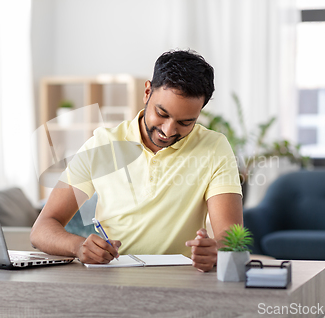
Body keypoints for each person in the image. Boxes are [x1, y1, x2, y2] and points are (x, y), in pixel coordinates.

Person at [30, 49, 243, 272]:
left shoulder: (214, 148)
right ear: (147, 91)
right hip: (112, 278)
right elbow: (41, 229)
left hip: (180, 281)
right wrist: (79, 246)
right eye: (162, 113)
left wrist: (217, 252)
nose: (168, 131)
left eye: (185, 122)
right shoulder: (102, 145)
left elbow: (233, 241)